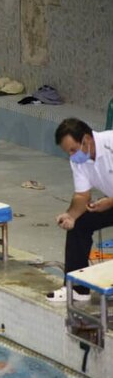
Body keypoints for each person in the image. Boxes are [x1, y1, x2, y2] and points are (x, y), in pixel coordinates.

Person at [48, 118, 113, 302]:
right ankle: (77, 288)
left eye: (73, 150)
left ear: (86, 140)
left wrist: (110, 202)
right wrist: (71, 216)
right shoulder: (78, 160)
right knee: (80, 224)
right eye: (68, 152)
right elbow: (82, 196)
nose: (72, 156)